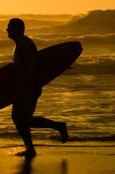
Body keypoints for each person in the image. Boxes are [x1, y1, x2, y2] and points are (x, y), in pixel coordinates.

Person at [6, 18, 68, 157]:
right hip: (26, 87)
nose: (7, 30)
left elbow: (33, 63)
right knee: (21, 118)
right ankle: (31, 148)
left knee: (21, 118)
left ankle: (58, 127)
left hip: (29, 87)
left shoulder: (24, 44)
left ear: (17, 29)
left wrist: (25, 82)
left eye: (9, 27)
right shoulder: (20, 44)